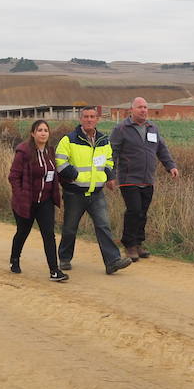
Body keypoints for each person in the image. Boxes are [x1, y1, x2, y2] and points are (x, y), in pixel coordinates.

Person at [55, 107, 132, 275]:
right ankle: (64, 258)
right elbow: (60, 162)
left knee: (103, 226)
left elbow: (109, 161)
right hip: (74, 193)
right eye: (86, 117)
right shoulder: (69, 139)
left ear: (97, 119)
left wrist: (109, 177)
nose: (89, 119)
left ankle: (112, 262)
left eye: (92, 117)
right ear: (80, 119)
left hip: (97, 193)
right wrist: (74, 175)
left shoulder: (104, 140)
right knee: (70, 227)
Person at [109, 97, 179, 262]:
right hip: (129, 178)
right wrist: (110, 175)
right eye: (140, 107)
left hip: (147, 178)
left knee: (143, 212)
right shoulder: (121, 129)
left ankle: (139, 243)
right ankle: (129, 244)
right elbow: (112, 153)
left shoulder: (152, 128)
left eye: (146, 107)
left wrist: (171, 166)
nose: (143, 110)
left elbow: (162, 149)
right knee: (134, 210)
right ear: (131, 110)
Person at [8, 120, 66, 281]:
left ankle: (54, 271)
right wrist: (20, 196)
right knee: (23, 232)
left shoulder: (50, 152)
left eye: (46, 130)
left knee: (49, 235)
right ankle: (14, 259)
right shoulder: (23, 152)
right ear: (33, 133)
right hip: (26, 201)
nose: (43, 133)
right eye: (39, 130)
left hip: (45, 201)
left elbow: (55, 175)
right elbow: (13, 176)